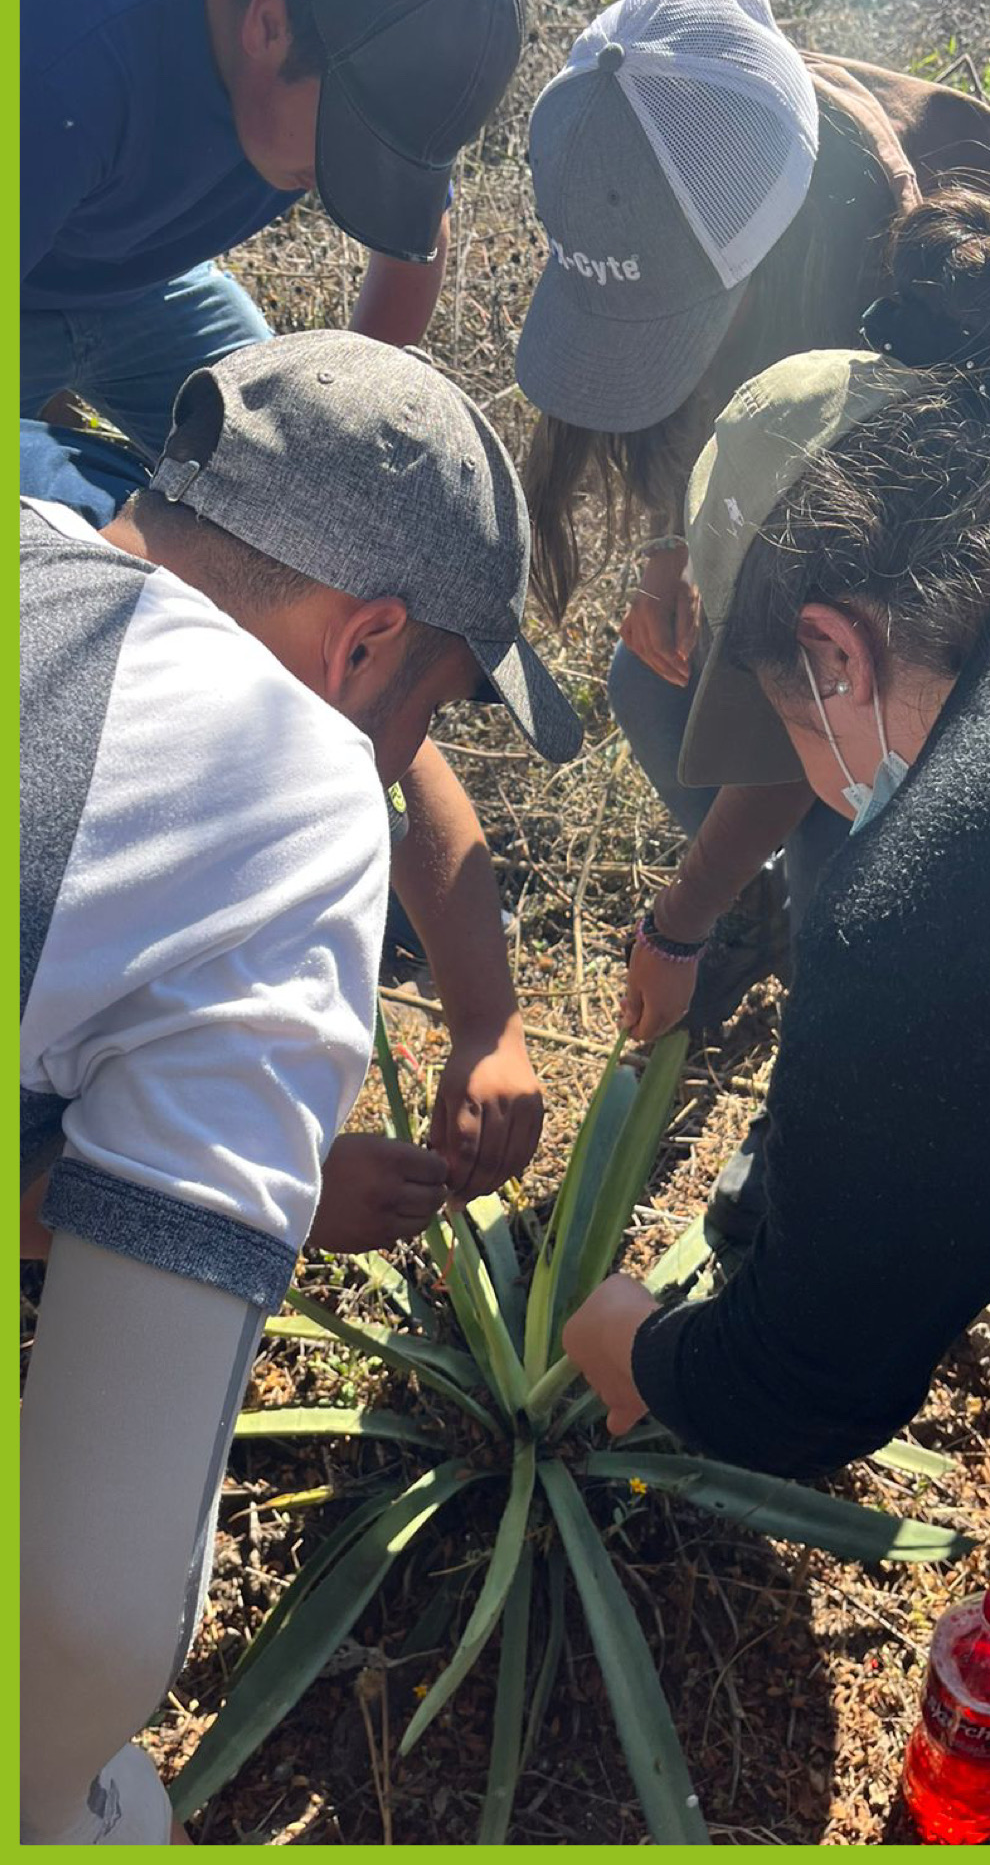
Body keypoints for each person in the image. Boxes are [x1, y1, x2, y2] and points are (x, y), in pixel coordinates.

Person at [20, 332, 581, 1846]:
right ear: (363, 642)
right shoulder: (296, 783)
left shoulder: (37, 507)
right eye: (429, 712)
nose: (398, 767)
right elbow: (85, 1609)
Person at [23, 0, 548, 1202]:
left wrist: (489, 1014)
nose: (336, 189)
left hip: (124, 262)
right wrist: (273, 1196)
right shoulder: (58, 35)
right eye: (339, 151)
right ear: (260, 27)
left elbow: (378, 687)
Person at [560, 189, 990, 1480]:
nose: (805, 784)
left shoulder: (908, 927)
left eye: (782, 724)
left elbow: (804, 1397)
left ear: (829, 654)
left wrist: (636, 1347)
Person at [514, 0, 990, 1022]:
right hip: (854, 641)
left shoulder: (895, 277)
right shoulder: (709, 148)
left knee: (853, 835)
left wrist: (676, 919)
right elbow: (694, 390)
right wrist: (670, 546)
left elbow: (851, 677)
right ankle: (778, 901)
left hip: (943, 655)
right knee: (651, 680)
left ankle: (849, 961)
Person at [22, 0, 526, 504]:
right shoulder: (60, 52)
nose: (350, 182)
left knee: (292, 484)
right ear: (267, 26)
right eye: (347, 150)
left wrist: (336, 421)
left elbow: (415, 246)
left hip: (141, 276)